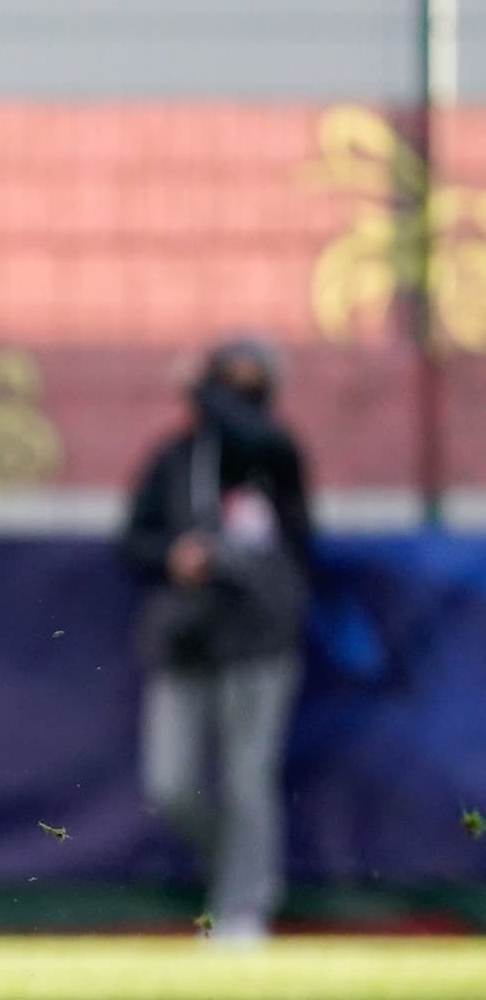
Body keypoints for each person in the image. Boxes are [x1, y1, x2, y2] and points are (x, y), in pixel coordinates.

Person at [121, 336, 312, 945]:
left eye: (246, 384)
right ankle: (240, 874)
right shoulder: (176, 459)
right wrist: (174, 555)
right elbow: (132, 541)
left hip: (260, 637)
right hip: (187, 639)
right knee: (171, 785)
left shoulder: (274, 453)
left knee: (247, 783)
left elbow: (250, 431)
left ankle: (243, 907)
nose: (232, 397)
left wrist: (200, 384)